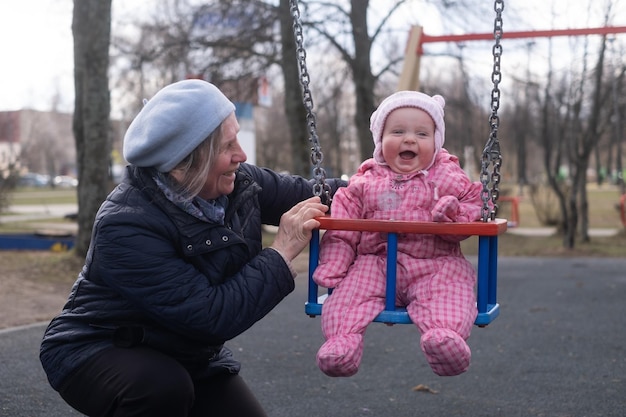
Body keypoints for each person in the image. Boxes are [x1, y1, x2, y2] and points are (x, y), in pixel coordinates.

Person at [39, 79, 345, 417]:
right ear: (183, 164)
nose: (240, 155)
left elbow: (318, 193)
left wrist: (387, 184)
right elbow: (212, 315)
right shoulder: (125, 225)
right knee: (162, 390)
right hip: (98, 349)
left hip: (184, 352)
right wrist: (281, 251)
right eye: (228, 146)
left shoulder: (240, 181)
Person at [312, 91, 486, 378]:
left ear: (436, 142)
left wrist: (453, 215)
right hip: (376, 263)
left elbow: (476, 201)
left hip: (435, 262)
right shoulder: (365, 182)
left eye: (422, 133)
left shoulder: (447, 176)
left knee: (451, 291)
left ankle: (444, 339)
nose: (409, 139)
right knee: (348, 296)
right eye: (397, 131)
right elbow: (343, 224)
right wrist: (336, 262)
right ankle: (342, 343)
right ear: (380, 141)